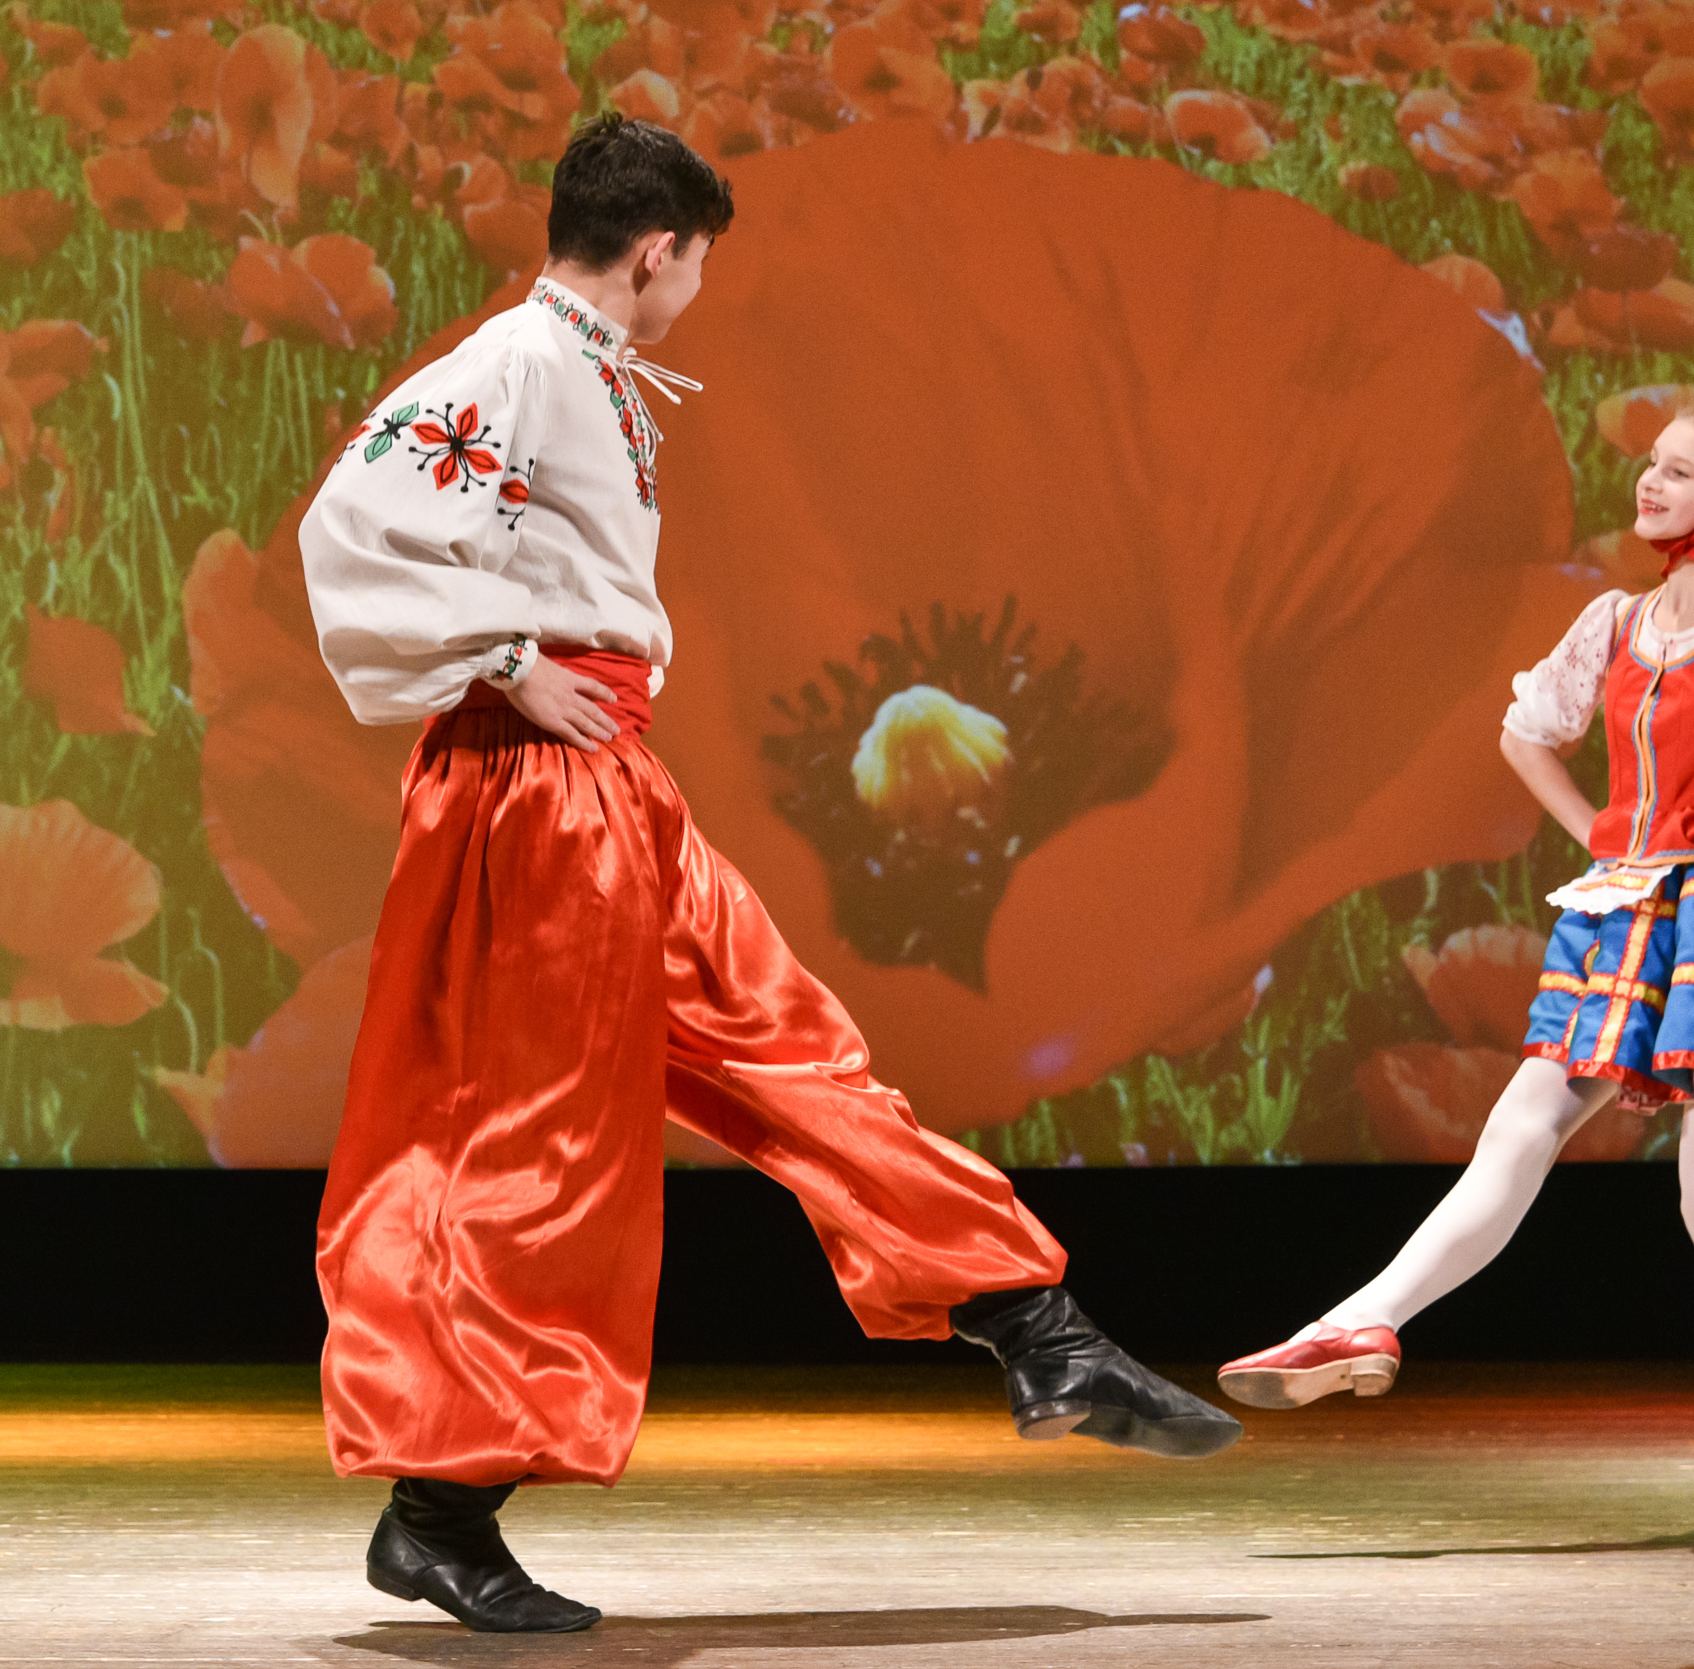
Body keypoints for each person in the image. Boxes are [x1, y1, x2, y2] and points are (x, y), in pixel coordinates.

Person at [299, 114, 1240, 1636]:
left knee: (784, 1046)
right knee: (530, 1147)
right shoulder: (520, 361)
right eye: (695, 266)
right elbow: (354, 528)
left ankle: (1032, 1321)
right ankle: (438, 1511)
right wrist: (512, 660)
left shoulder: (580, 367)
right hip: (535, 795)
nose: (692, 292)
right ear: (657, 249)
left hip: (607, 788)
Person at [1216, 397, 1694, 1540]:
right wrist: (1593, 828)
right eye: (1649, 463)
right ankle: (1360, 1321)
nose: (1649, 483)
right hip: (1626, 904)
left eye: (1679, 471)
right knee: (1520, 1126)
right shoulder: (1616, 621)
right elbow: (1526, 728)